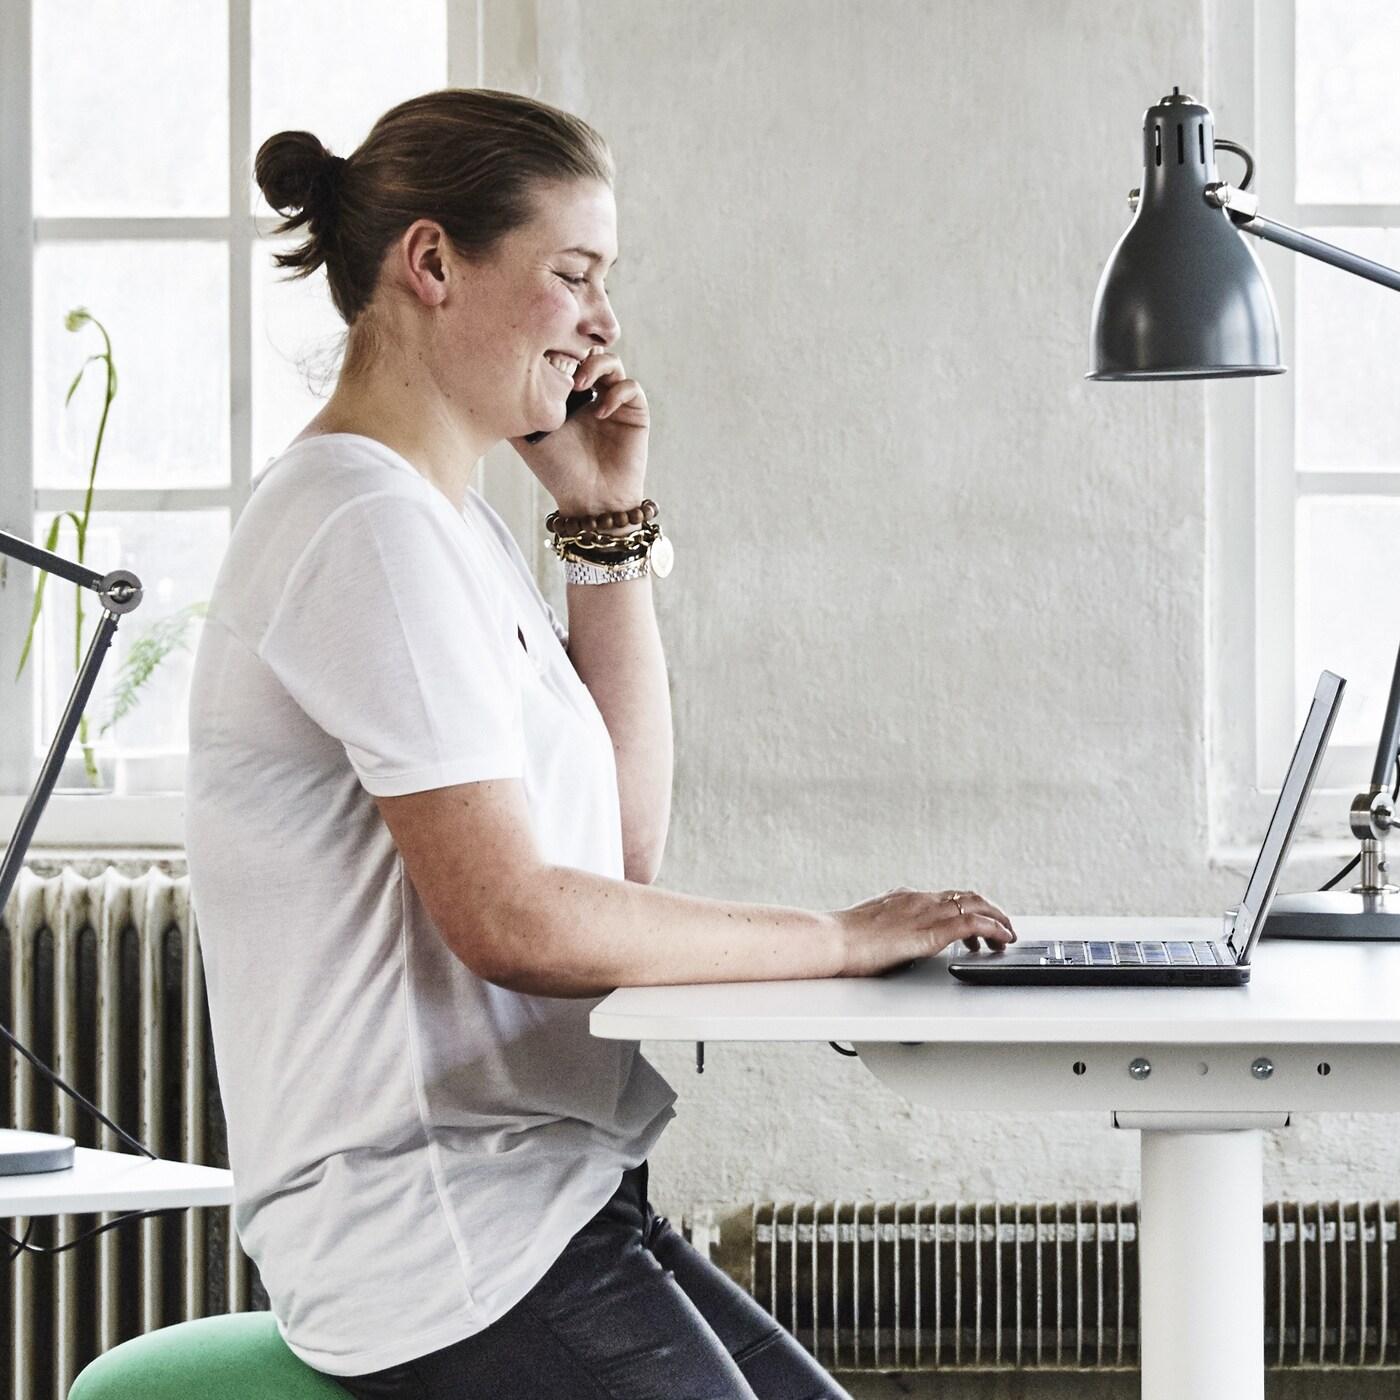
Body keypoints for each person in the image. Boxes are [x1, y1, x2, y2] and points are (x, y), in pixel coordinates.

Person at [184, 88, 1014, 1400]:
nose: (604, 321)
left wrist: (605, 520)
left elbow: (616, 858)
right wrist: (838, 938)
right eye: (571, 273)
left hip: (556, 1202)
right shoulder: (363, 528)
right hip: (441, 1241)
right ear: (434, 265)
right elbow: (517, 921)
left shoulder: (443, 525)